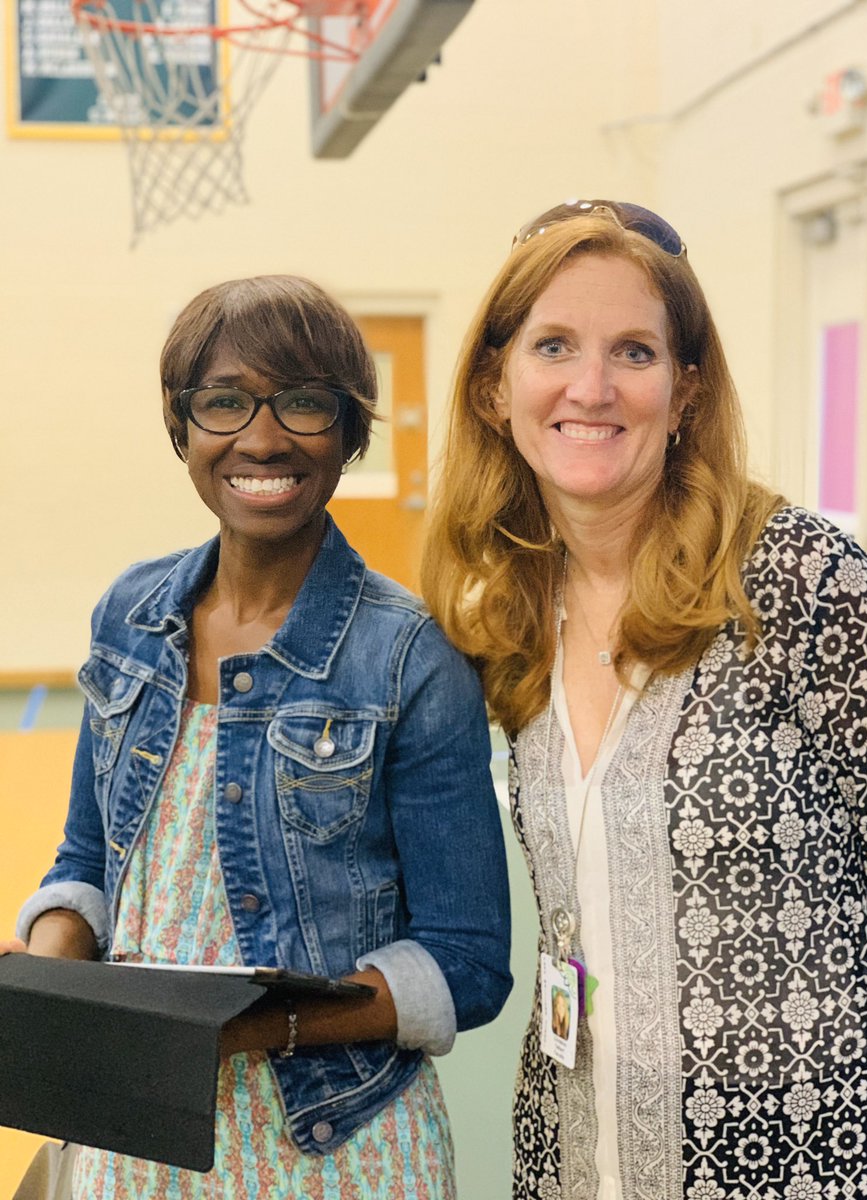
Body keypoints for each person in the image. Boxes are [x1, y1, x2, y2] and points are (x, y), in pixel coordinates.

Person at [421, 200, 867, 1199]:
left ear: (684, 393)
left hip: (805, 1169)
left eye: (634, 352)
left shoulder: (798, 583)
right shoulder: (509, 617)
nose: (591, 388)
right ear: (492, 390)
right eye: (554, 345)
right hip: (572, 1161)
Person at [3, 274, 512, 1199]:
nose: (263, 437)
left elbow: (466, 964)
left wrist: (242, 1027)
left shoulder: (409, 658)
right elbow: (87, 862)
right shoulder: (129, 614)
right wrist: (45, 988)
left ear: (352, 433)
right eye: (225, 402)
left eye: (306, 403)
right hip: (135, 1134)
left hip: (334, 1143)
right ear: (183, 429)